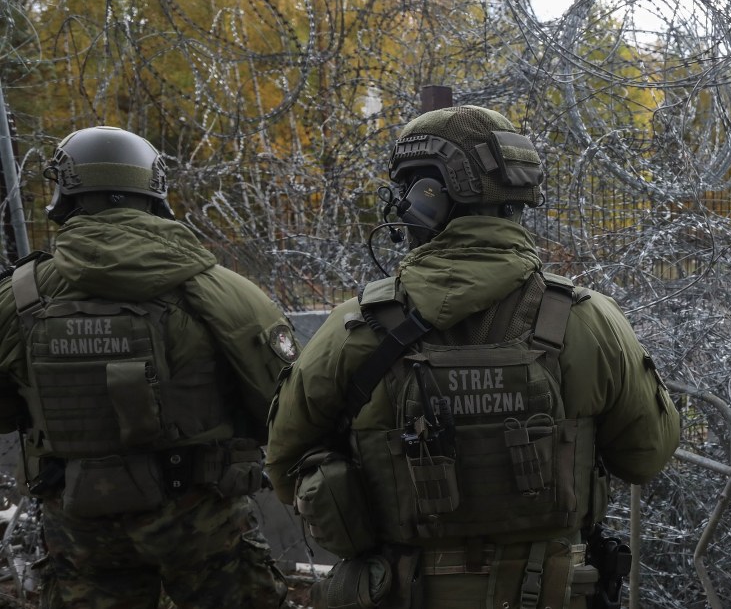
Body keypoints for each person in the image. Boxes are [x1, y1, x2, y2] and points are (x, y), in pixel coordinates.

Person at [266, 104, 679, 609]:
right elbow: (646, 455)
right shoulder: (589, 319)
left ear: (426, 199)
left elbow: (285, 467)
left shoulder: (355, 327)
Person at [0, 126, 296, 608]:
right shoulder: (226, 294)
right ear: (153, 192)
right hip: (203, 529)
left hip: (80, 532)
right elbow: (284, 410)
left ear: (63, 194)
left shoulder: (19, 298)